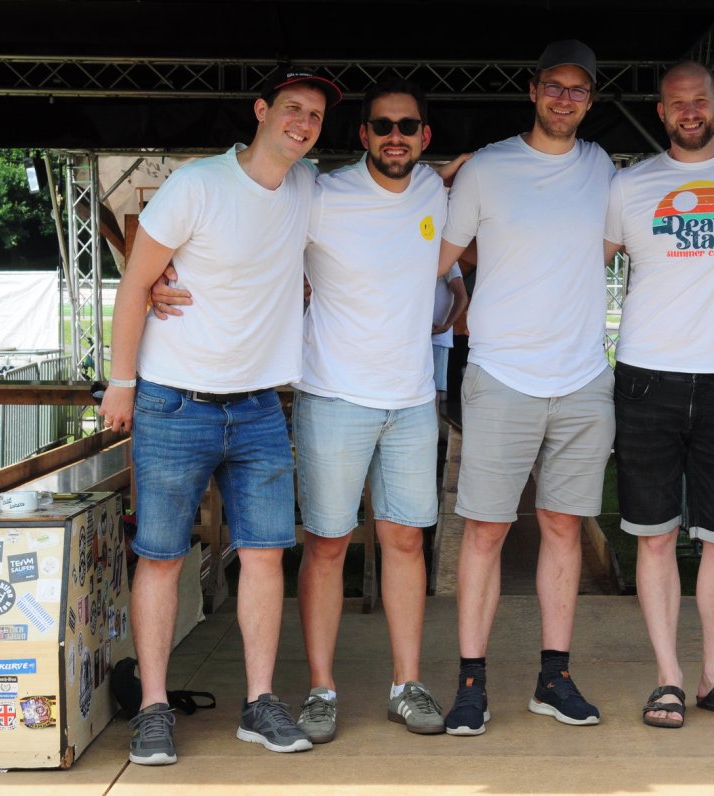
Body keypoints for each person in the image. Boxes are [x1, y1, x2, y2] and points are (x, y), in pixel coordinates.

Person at [98, 65, 341, 765]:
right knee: (162, 556)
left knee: (265, 554)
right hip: (174, 399)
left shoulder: (308, 187)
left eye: (315, 115)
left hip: (260, 404)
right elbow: (136, 284)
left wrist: (452, 174)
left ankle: (260, 703)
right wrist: (121, 383)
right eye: (292, 108)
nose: (302, 122)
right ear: (261, 110)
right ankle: (153, 708)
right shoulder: (198, 184)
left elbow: (379, 197)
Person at [436, 39, 615, 736]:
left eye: (578, 89)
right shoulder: (486, 168)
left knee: (564, 527)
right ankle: (471, 683)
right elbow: (434, 255)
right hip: (502, 373)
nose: (565, 98)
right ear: (533, 90)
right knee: (485, 529)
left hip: (583, 377)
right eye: (555, 86)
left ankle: (554, 678)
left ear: (590, 100)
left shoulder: (603, 168)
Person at [603, 61, 714, 728]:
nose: (689, 111)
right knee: (654, 537)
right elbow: (575, 267)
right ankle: (668, 678)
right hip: (644, 377)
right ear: (660, 111)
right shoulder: (629, 185)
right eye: (677, 102)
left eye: (700, 100)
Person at [290, 79, 452, 742]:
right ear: (362, 135)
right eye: (382, 125)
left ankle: (406, 685)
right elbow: (246, 238)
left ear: (424, 136)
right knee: (328, 545)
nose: (395, 136)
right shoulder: (322, 195)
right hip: (334, 395)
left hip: (411, 400)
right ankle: (321, 690)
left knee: (406, 542)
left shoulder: (437, 189)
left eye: (407, 126)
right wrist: (163, 277)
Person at [432, 263, 469, 416]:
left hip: (436, 338)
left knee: (432, 393)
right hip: (416, 337)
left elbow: (462, 297)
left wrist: (447, 325)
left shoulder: (449, 261)